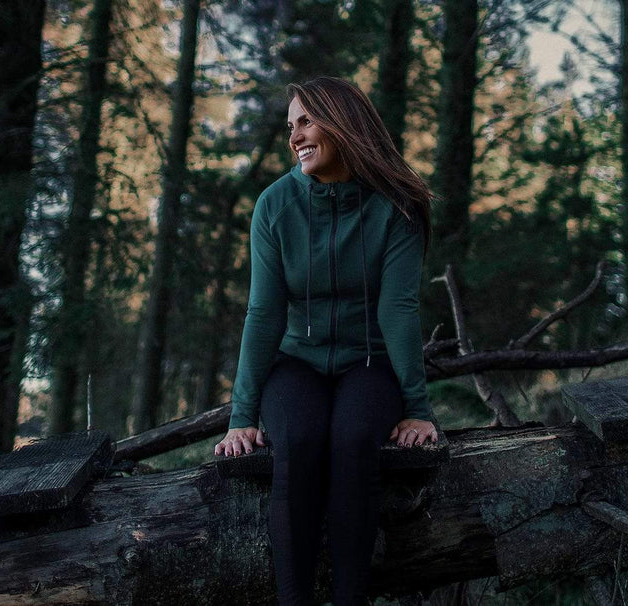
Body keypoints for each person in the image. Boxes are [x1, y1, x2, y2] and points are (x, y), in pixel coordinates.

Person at [214, 76, 438, 605]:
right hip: (298, 363)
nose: (294, 137)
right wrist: (241, 417)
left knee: (354, 442)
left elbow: (399, 308)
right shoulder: (274, 206)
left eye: (306, 121)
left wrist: (418, 408)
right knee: (298, 441)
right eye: (290, 126)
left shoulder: (398, 205)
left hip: (371, 362)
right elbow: (264, 313)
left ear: (343, 122)